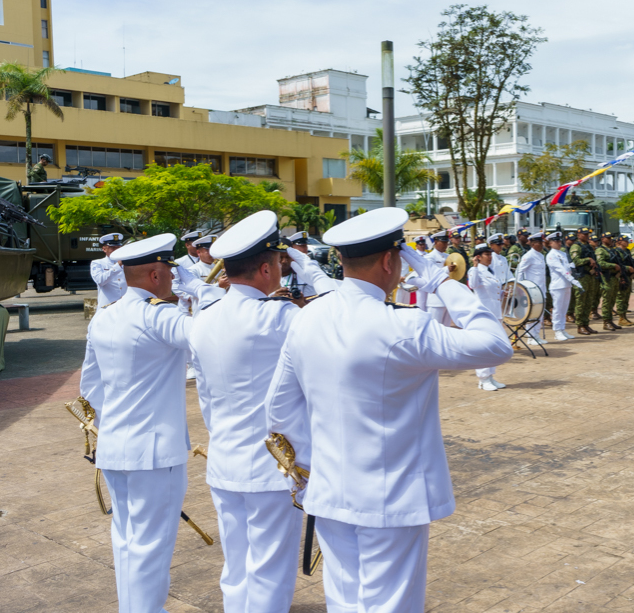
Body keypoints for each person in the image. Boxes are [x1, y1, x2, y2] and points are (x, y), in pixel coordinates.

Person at [265, 207, 512, 613]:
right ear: (389, 260)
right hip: (392, 501)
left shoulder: (307, 318)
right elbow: (495, 345)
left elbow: (279, 409)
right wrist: (441, 282)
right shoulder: (405, 325)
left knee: (344, 602)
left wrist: (308, 473)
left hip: (327, 491)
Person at [79, 234, 223, 613]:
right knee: (150, 549)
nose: (176, 280)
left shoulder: (104, 318)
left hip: (114, 446)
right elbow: (213, 336)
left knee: (126, 543)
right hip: (156, 455)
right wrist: (202, 293)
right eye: (172, 273)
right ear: (157, 275)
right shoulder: (158, 315)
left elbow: (89, 388)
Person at [189, 212, 320, 612]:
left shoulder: (203, 320)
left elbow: (206, 400)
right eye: (279, 265)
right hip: (273, 468)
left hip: (225, 461)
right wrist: (313, 271)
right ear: (266, 267)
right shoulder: (284, 318)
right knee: (269, 575)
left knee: (237, 570)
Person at [467, 243, 507, 390]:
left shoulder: (491, 270)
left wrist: (503, 293)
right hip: (484, 313)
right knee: (484, 345)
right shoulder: (475, 270)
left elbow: (492, 291)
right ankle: (483, 378)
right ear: (479, 257)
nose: (490, 257)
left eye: (490, 254)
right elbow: (473, 285)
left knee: (494, 344)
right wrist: (475, 266)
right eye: (487, 255)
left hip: (495, 312)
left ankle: (490, 376)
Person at [546, 231, 580, 340]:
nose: (559, 243)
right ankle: (557, 331)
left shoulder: (564, 253)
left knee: (564, 309)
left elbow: (569, 267)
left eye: (559, 241)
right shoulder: (551, 255)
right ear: (550, 243)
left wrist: (573, 271)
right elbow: (560, 269)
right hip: (558, 285)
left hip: (567, 284)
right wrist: (572, 278)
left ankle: (562, 328)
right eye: (556, 241)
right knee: (557, 309)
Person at [517, 231, 548, 345]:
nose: (542, 245)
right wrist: (520, 288)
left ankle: (536, 335)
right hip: (532, 289)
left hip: (541, 288)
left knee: (540, 313)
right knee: (532, 313)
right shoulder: (528, 256)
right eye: (540, 243)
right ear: (534, 243)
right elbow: (520, 271)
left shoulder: (540, 255)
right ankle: (530, 336)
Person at [569, 227, 600, 334]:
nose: (586, 236)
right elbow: (575, 261)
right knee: (581, 302)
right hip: (581, 277)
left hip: (590, 276)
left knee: (589, 301)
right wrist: (588, 260)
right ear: (578, 235)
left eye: (587, 234)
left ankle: (586, 324)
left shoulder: (589, 246)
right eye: (584, 234)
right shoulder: (576, 247)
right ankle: (580, 325)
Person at [424, 232, 455, 325]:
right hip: (436, 298)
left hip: (447, 296)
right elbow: (431, 274)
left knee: (446, 328)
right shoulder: (429, 257)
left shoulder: (448, 257)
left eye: (447, 242)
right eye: (443, 242)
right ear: (436, 242)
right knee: (434, 327)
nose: (446, 244)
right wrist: (446, 269)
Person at [90, 233, 127, 309]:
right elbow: (100, 281)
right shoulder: (97, 263)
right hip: (107, 307)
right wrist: (118, 266)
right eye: (112, 248)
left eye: (118, 247)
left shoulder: (127, 263)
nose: (116, 250)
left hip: (125, 306)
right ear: (104, 249)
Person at [595, 231, 621, 330]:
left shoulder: (612, 250)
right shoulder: (600, 250)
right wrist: (613, 265)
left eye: (611, 238)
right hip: (607, 278)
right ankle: (606, 322)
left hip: (614, 278)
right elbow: (600, 263)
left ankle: (610, 320)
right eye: (608, 238)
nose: (610, 240)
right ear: (602, 239)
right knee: (607, 300)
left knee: (612, 300)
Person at [614, 234, 634, 326]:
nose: (627, 242)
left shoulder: (627, 251)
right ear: (619, 242)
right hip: (621, 276)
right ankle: (621, 318)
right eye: (625, 241)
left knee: (626, 296)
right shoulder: (616, 252)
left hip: (628, 276)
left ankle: (624, 316)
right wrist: (627, 268)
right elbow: (618, 264)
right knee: (621, 297)